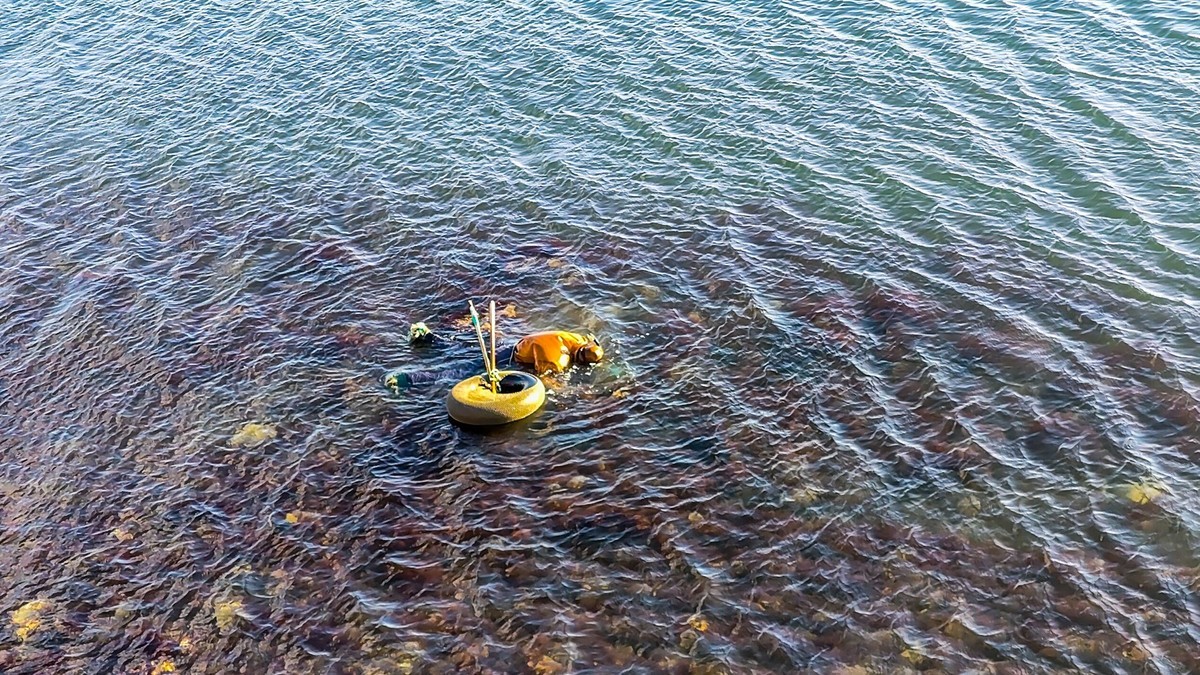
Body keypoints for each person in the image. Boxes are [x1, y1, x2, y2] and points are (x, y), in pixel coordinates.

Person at [385, 325, 604, 393]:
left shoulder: (575, 338)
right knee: (463, 370)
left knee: (466, 347)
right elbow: (545, 381)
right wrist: (572, 393)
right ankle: (407, 379)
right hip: (509, 358)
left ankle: (429, 339)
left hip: (514, 344)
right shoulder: (557, 358)